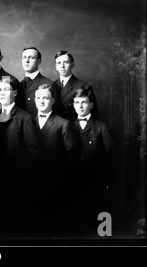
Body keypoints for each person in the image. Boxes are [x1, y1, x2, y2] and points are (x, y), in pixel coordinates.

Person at [0, 78, 45, 236]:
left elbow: (35, 153)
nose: (2, 94)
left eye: (6, 90)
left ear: (14, 93)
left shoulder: (25, 118)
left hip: (17, 179)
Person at [33, 83, 79, 234]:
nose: (41, 101)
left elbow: (71, 155)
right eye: (38, 98)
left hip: (55, 181)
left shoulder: (63, 124)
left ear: (52, 100)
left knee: (52, 223)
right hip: (33, 180)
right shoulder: (29, 121)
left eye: (45, 98)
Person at [70, 87, 116, 233]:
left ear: (91, 105)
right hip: (75, 182)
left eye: (84, 102)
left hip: (97, 181)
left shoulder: (101, 127)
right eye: (77, 102)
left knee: (94, 221)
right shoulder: (68, 127)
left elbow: (111, 157)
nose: (80, 106)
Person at [52, 50, 98, 122]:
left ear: (72, 65)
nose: (62, 66)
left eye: (66, 62)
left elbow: (93, 116)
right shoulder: (52, 86)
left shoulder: (84, 86)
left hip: (75, 129)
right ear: (56, 67)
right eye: (59, 63)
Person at [19, 46, 53, 117]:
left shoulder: (49, 84)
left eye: (31, 57)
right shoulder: (17, 85)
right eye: (24, 57)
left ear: (39, 61)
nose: (27, 61)